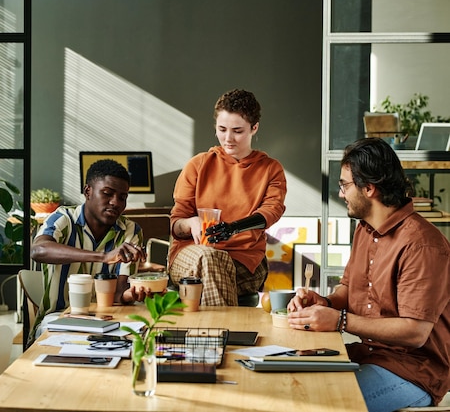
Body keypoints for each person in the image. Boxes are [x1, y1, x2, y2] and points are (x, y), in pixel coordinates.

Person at [288, 137, 450, 412]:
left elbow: (415, 332)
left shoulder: (422, 244)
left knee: (319, 403)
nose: (341, 193)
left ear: (369, 188)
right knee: (292, 384)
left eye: (344, 185)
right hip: (369, 356)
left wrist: (338, 320)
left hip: (413, 372)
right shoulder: (365, 229)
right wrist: (323, 302)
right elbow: (348, 288)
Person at [168, 88, 287, 307]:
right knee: (211, 258)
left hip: (245, 259)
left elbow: (271, 211)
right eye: (222, 129)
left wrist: (233, 228)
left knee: (212, 269)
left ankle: (209, 337)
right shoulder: (198, 165)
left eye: (237, 131)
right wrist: (191, 223)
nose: (228, 138)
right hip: (191, 254)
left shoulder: (270, 169)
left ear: (254, 128)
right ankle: (227, 336)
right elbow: (176, 224)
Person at [30, 159, 151, 337]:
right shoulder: (64, 219)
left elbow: (118, 294)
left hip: (109, 319)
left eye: (122, 197)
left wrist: (132, 294)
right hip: (60, 318)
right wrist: (102, 256)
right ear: (88, 191)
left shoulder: (130, 231)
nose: (116, 202)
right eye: (107, 193)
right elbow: (38, 250)